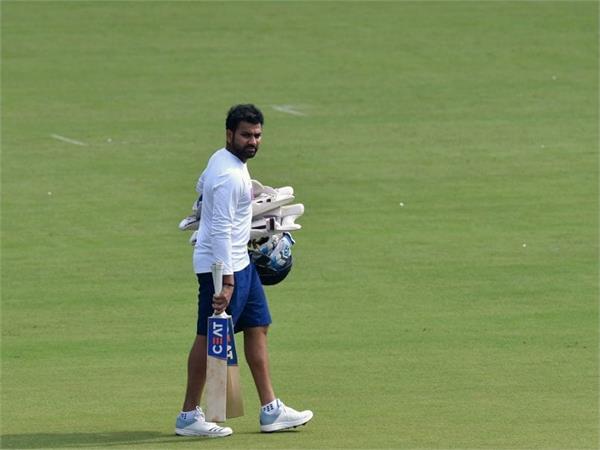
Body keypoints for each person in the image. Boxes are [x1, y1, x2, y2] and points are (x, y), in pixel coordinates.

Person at [175, 104, 313, 438]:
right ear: (229, 135)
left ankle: (271, 410)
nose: (253, 141)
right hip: (221, 268)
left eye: (258, 135)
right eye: (246, 135)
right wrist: (227, 281)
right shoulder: (228, 176)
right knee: (209, 338)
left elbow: (201, 186)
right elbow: (221, 229)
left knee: (257, 325)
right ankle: (189, 416)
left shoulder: (224, 163)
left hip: (241, 261)